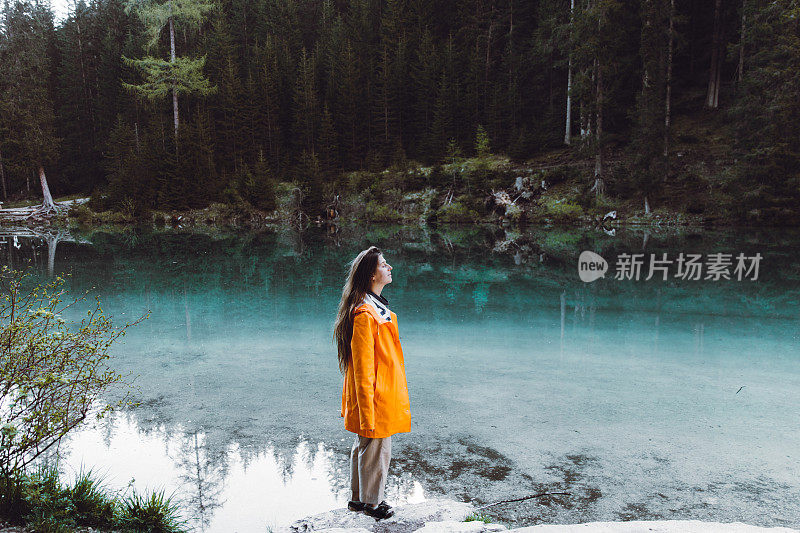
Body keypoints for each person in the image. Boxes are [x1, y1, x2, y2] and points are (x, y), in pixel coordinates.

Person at [334, 246, 411, 520]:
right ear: (370, 275)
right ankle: (372, 503)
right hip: (375, 397)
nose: (389, 267)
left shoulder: (372, 308)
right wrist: (367, 411)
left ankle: (358, 499)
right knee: (377, 448)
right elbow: (363, 369)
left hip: (379, 394)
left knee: (366, 445)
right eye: (383, 264)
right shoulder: (366, 314)